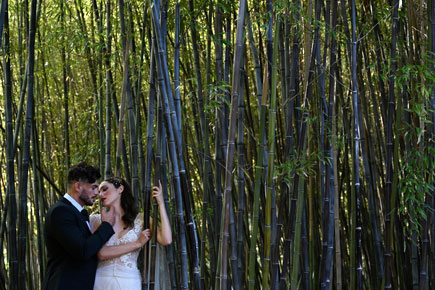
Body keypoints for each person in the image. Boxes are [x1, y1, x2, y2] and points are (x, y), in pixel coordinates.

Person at [42, 162, 116, 290]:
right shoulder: (60, 212)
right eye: (93, 188)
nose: (97, 193)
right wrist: (106, 225)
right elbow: (83, 250)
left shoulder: (81, 213)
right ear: (78, 186)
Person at [91, 177, 172, 290]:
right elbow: (102, 253)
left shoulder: (141, 219)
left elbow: (166, 239)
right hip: (100, 282)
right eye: (99, 191)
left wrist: (161, 204)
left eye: (105, 189)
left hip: (129, 283)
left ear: (120, 189)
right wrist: (137, 243)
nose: (100, 194)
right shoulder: (96, 220)